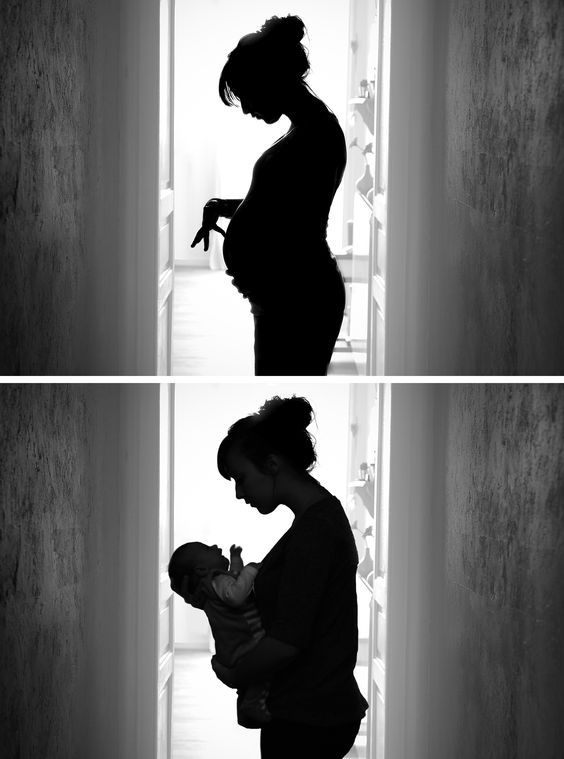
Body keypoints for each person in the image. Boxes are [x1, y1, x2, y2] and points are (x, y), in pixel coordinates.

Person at [180, 396, 369, 758]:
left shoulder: (315, 530)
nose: (239, 493)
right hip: (309, 712)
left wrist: (234, 673)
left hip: (309, 720)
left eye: (241, 478)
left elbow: (287, 641)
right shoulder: (314, 520)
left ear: (271, 464)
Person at [191, 16, 347, 376]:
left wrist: (255, 265)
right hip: (284, 298)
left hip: (299, 302)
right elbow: (277, 209)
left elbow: (295, 227)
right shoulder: (307, 128)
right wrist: (224, 207)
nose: (246, 108)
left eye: (247, 94)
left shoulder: (317, 135)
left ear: (270, 77)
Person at [169, 541, 270, 728]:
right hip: (246, 643)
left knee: (252, 681)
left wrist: (236, 563)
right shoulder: (216, 581)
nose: (216, 546)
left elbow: (233, 580)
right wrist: (251, 570)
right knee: (263, 673)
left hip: (232, 649)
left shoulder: (211, 587)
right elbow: (236, 595)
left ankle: (248, 703)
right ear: (201, 569)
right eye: (208, 549)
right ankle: (251, 704)